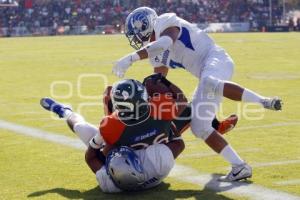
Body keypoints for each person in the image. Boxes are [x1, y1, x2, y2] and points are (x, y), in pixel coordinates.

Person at [112, 7, 283, 181]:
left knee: (209, 82)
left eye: (136, 32)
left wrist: (131, 58)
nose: (136, 37)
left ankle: (264, 101)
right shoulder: (153, 50)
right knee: (200, 126)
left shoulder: (164, 22)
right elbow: (158, 78)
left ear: (146, 24)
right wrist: (142, 99)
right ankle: (240, 167)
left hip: (216, 58)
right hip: (206, 75)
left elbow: (165, 42)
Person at [40, 77, 187, 192]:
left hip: (124, 154)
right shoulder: (161, 109)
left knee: (80, 126)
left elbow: (100, 153)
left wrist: (96, 141)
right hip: (152, 164)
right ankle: (66, 112)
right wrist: (163, 83)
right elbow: (182, 103)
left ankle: (65, 112)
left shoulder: (110, 125)